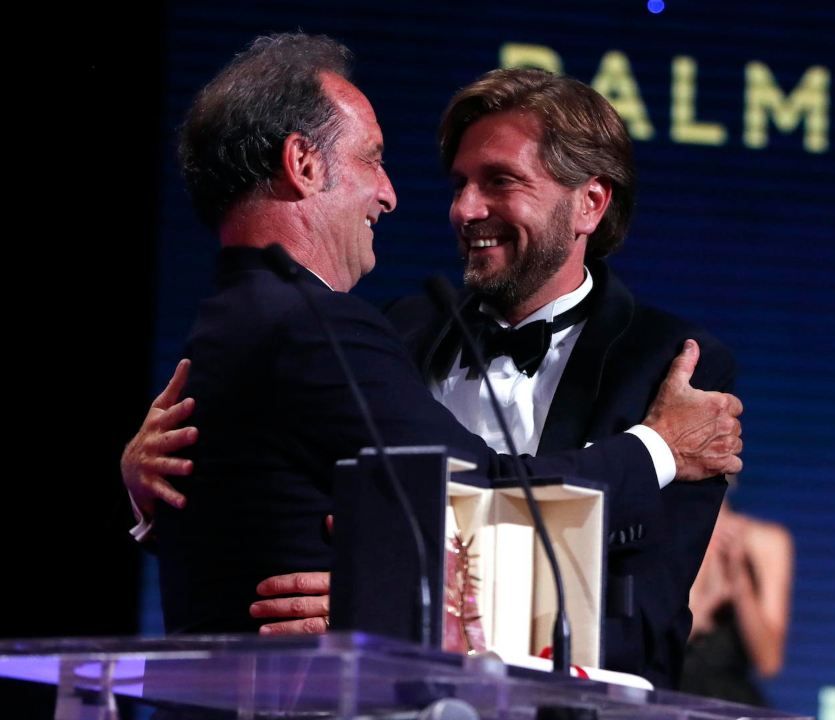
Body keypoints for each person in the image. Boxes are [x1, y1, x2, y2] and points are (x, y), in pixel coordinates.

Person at [142, 33, 742, 641]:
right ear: (302, 164)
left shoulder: (676, 376)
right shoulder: (389, 331)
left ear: (589, 203)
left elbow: (638, 621)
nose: (464, 209)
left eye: (500, 181)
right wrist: (655, 450)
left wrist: (403, 605)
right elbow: (268, 515)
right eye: (459, 184)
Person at [681, 498, 793, 706]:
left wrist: (740, 582)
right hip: (665, 695)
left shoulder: (763, 541)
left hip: (729, 700)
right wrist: (708, 602)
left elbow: (769, 662)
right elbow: (647, 650)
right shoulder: (661, 533)